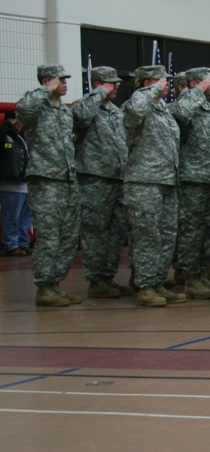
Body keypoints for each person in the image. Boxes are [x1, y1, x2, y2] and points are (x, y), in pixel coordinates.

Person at [16, 64, 82, 306]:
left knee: (69, 235)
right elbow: (22, 107)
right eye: (60, 79)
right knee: (49, 235)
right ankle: (44, 287)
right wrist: (45, 89)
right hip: (46, 180)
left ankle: (55, 284)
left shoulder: (63, 111)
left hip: (68, 179)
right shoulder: (35, 107)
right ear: (47, 80)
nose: (65, 83)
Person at [123, 65, 186, 307]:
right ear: (147, 82)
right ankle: (146, 286)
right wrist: (148, 90)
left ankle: (158, 281)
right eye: (161, 80)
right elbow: (135, 109)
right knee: (147, 235)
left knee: (167, 235)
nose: (166, 83)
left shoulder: (163, 111)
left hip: (167, 180)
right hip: (144, 181)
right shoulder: (137, 105)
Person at [72, 66, 130, 298]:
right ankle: (96, 280)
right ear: (97, 83)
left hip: (118, 178)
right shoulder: (85, 106)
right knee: (95, 231)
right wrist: (97, 94)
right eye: (109, 83)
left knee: (116, 232)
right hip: (95, 179)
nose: (115, 86)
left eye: (116, 83)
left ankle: (107, 276)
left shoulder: (116, 112)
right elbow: (81, 118)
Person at [171, 68, 210, 300]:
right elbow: (180, 115)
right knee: (192, 231)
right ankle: (190, 277)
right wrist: (197, 91)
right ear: (194, 83)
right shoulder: (187, 103)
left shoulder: (209, 105)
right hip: (192, 178)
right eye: (207, 81)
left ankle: (202, 275)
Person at [0, 111, 32, 258]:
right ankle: (11, 244)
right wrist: (7, 124)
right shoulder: (4, 136)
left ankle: (22, 243)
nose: (19, 125)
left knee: (24, 218)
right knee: (11, 217)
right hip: (10, 184)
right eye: (16, 121)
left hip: (25, 184)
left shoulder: (21, 137)